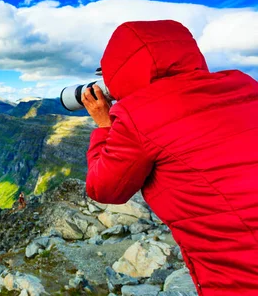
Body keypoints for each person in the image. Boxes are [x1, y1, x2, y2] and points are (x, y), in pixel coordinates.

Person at [81, 20, 258, 296]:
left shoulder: (136, 116)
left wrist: (105, 126)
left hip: (241, 273)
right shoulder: (245, 86)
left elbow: (103, 188)